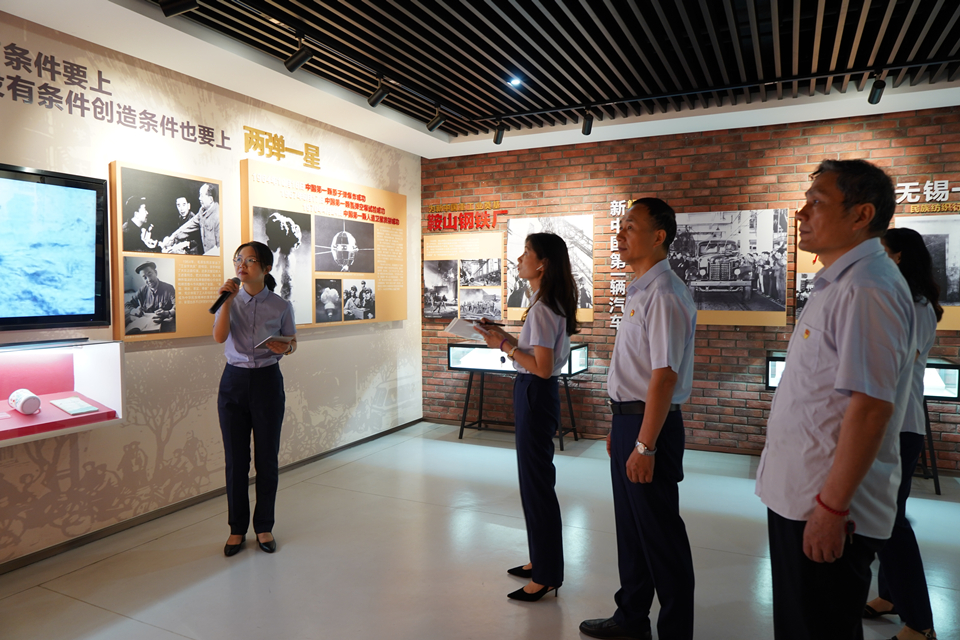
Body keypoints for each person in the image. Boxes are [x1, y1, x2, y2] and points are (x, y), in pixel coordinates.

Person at [755, 159, 916, 640]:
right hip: (803, 495)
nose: (802, 213)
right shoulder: (841, 282)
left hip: (826, 506)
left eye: (817, 202)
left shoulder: (868, 288)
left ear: (861, 214)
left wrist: (831, 507)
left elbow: (870, 408)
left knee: (818, 627)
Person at [579, 197, 697, 640]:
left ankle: (675, 631)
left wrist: (645, 444)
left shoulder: (665, 294)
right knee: (631, 530)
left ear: (659, 236)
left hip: (651, 426)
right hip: (630, 421)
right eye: (621, 225)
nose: (620, 233)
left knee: (661, 536)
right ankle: (631, 617)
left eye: (631, 226)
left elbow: (664, 377)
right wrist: (621, 428)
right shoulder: (641, 290)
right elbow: (637, 370)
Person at [475, 232, 579, 602]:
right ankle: (540, 559)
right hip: (535, 392)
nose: (519, 260)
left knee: (536, 485)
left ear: (543, 263)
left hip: (536, 392)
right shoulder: (545, 302)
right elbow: (536, 354)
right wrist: (502, 336)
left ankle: (547, 574)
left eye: (526, 253)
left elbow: (543, 368)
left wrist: (503, 345)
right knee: (533, 482)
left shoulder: (543, 307)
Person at [862, 227, 941, 640]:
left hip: (900, 424)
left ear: (899, 257)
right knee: (886, 515)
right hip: (893, 422)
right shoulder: (901, 300)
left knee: (891, 522)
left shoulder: (917, 305)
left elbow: (893, 362)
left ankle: (920, 623)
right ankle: (890, 596)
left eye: (883, 253)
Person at [214, 241, 296, 557]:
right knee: (236, 460)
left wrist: (285, 347)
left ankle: (264, 526)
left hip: (266, 381)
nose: (241, 265)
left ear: (266, 267)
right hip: (233, 382)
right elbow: (219, 337)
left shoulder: (281, 306)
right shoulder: (229, 300)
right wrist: (226, 302)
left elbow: (292, 342)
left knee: (267, 459)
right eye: (238, 259)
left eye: (249, 260)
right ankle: (236, 529)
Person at [168, 183, 220, 255]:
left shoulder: (219, 216)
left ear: (210, 199)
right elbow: (189, 225)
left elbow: (219, 248)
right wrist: (173, 236)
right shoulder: (202, 211)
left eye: (202, 195)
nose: (199, 198)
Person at [125, 261, 175, 333]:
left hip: (163, 326)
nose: (148, 280)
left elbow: (178, 306)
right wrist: (135, 311)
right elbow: (128, 304)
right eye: (144, 277)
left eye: (150, 274)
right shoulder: (142, 290)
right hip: (145, 326)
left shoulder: (169, 288)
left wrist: (167, 313)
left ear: (156, 273)